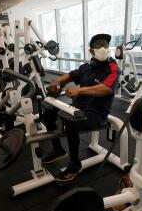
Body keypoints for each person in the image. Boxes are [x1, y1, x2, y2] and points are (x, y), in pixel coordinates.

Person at [42, 34, 119, 183]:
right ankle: (58, 149)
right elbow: (70, 75)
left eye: (105, 45)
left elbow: (106, 89)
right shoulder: (86, 67)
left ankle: (74, 164)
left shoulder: (112, 68)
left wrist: (79, 91)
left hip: (97, 113)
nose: (103, 48)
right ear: (91, 51)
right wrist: (58, 82)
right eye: (98, 46)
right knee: (49, 112)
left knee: (71, 122)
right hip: (79, 108)